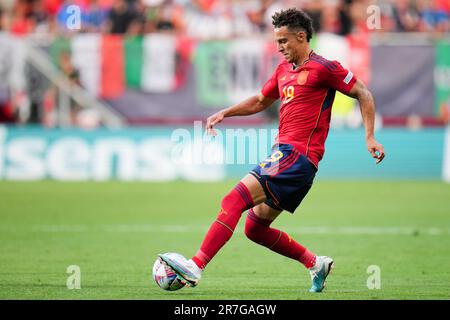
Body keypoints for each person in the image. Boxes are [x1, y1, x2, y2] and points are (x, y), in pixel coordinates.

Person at [159, 8, 385, 293]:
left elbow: (363, 92)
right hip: (296, 163)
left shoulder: (324, 68)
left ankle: (196, 265)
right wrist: (224, 113)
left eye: (284, 41)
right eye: (277, 42)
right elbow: (259, 100)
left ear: (301, 37)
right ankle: (314, 263)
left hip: (295, 156)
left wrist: (369, 137)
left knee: (233, 201)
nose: (279, 47)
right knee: (255, 229)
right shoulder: (282, 71)